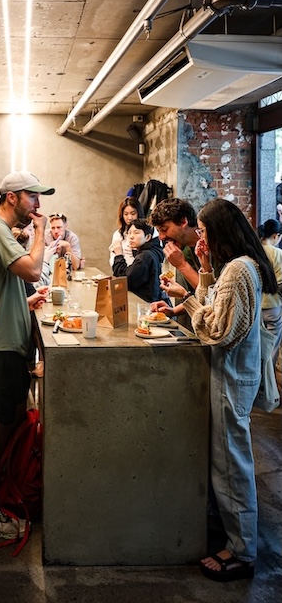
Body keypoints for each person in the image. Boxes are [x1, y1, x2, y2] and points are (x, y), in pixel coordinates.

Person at [160, 198, 277, 582]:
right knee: (227, 461)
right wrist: (204, 269)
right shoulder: (235, 267)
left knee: (232, 465)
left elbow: (217, 330)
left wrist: (190, 298)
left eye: (205, 231)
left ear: (220, 230)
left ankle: (242, 551)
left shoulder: (240, 271)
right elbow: (216, 308)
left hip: (232, 376)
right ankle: (234, 535)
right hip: (230, 375)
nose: (201, 237)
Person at [0, 170, 54, 540]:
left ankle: (1, 495)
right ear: (13, 196)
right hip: (0, 347)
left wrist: (25, 300)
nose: (38, 205)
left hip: (6, 344)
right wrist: (40, 234)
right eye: (33, 197)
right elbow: (32, 269)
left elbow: (10, 283)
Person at [112, 218, 170, 304]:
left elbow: (124, 280)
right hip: (150, 302)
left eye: (136, 232)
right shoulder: (151, 252)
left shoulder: (145, 256)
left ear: (147, 237)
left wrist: (119, 255)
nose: (131, 236)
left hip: (144, 305)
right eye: (129, 233)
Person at [150, 197, 201, 291]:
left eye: (164, 229)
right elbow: (196, 295)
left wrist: (182, 265)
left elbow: (215, 296)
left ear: (183, 222)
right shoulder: (185, 251)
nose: (161, 237)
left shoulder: (214, 246)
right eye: (159, 231)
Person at [257, 219, 282, 381]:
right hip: (273, 306)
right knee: (272, 346)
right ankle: (268, 383)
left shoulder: (253, 251)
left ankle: (256, 382)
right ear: (276, 236)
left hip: (255, 306)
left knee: (256, 345)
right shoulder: (278, 253)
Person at [108, 196, 144, 269]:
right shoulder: (118, 234)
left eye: (133, 213)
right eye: (126, 214)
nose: (129, 217)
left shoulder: (149, 232)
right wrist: (119, 254)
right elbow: (112, 260)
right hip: (122, 274)